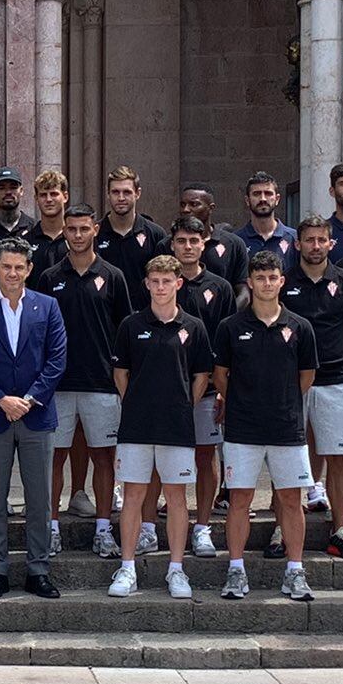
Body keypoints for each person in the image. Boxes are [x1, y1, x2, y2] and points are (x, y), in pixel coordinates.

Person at [0, 236, 67, 599]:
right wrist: (1, 399)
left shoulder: (48, 306)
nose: (12, 273)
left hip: (36, 416)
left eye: (19, 267)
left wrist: (29, 399)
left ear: (29, 269)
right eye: (6, 266)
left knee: (40, 498)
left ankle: (38, 569)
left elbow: (57, 360)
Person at [212, 251, 319, 600]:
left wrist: (281, 402)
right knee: (240, 499)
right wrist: (245, 403)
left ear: (281, 281)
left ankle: (295, 571)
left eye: (272, 277)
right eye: (260, 278)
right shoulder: (231, 327)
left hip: (287, 428)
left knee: (291, 500)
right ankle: (236, 571)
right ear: (250, 282)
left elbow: (306, 376)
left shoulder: (300, 327)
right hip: (243, 428)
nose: (267, 283)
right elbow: (221, 376)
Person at [107, 255, 215, 600]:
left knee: (177, 498)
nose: (161, 287)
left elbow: (202, 375)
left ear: (178, 284)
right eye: (155, 281)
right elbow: (120, 373)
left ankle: (177, 569)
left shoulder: (194, 327)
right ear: (147, 284)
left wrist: (184, 405)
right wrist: (137, 402)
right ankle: (127, 568)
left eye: (167, 281)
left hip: (177, 426)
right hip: (137, 425)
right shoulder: (130, 324)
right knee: (133, 498)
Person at [36, 204, 130, 561]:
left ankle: (104, 530)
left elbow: (124, 329)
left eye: (83, 229)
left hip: (102, 384)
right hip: (57, 385)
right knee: (53, 458)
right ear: (64, 232)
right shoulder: (49, 277)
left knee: (104, 458)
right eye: (71, 229)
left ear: (95, 230)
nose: (76, 235)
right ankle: (52, 528)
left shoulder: (113, 276)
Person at [280, 216, 343, 559]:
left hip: (334, 380)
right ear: (297, 244)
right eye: (309, 240)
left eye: (322, 240)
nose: (315, 246)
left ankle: (340, 528)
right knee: (285, 455)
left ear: (330, 244)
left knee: (340, 457)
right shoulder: (284, 282)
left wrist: (331, 359)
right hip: (289, 383)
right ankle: (280, 527)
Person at [168, 216, 237, 557]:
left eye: (194, 241)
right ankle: (155, 525)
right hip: (168, 387)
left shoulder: (220, 287)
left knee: (206, 455)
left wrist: (222, 386)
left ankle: (202, 527)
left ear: (204, 244)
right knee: (164, 457)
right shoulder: (162, 282)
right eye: (182, 241)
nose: (188, 247)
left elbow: (226, 339)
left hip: (208, 387)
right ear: (173, 244)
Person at [94, 166, 168, 310]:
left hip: (144, 318)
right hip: (104, 316)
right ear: (108, 194)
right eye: (115, 192)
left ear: (137, 193)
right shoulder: (94, 234)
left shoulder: (155, 234)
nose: (121, 198)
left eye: (127, 192)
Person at [177, 183, 250, 294]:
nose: (186, 210)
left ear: (211, 208)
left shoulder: (234, 244)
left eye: (194, 204)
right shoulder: (167, 245)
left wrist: (229, 311)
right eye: (183, 205)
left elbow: (244, 293)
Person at [236, 171, 298, 273]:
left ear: (277, 199)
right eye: (256, 194)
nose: (263, 199)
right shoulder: (236, 241)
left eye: (268, 193)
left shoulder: (294, 239)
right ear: (247, 200)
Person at [29, 171, 70, 276]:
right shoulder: (26, 241)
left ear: (65, 197)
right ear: (36, 199)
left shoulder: (76, 238)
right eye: (43, 195)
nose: (48, 199)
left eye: (54, 194)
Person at [0, 168, 35, 240]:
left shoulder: (34, 228)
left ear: (21, 191)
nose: (8, 192)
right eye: (2, 188)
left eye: (13, 187)